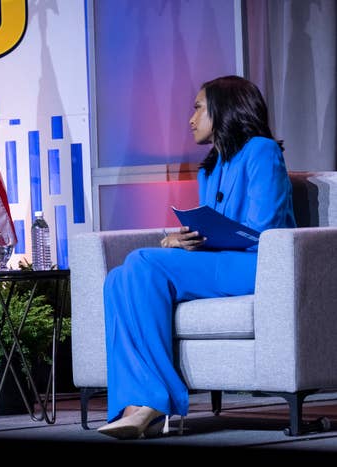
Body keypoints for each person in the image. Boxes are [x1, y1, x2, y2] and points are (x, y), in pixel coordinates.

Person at [97, 75, 296, 440]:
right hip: (220, 262)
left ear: (225, 108)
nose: (191, 119)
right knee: (119, 278)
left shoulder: (262, 151)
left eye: (198, 107)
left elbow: (263, 227)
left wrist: (208, 236)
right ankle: (135, 405)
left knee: (142, 261)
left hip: (259, 266)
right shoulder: (211, 167)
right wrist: (182, 239)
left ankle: (157, 400)